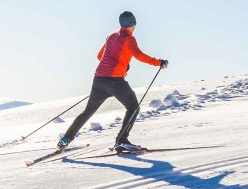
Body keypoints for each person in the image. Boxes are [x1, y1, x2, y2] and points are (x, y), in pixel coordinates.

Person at [58, 11, 168, 154]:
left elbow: (100, 56)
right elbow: (139, 55)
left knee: (88, 111)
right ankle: (121, 141)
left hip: (99, 80)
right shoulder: (129, 39)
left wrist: (121, 65)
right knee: (133, 108)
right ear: (133, 24)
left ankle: (65, 139)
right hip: (115, 82)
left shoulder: (111, 36)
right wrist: (159, 62)